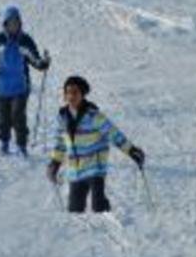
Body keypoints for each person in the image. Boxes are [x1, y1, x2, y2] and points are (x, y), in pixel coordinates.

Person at [47, 76, 146, 213]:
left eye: (75, 92)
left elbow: (114, 134)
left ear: (82, 94)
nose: (71, 96)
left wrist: (131, 150)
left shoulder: (93, 116)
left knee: (98, 206)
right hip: (76, 171)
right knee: (75, 210)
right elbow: (60, 143)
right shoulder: (62, 118)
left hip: (95, 167)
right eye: (68, 92)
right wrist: (55, 163)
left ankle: (106, 214)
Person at [0, 6, 50, 156]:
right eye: (10, 22)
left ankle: (21, 145)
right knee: (4, 117)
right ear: (5, 24)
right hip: (2, 87)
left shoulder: (25, 41)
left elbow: (34, 59)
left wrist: (43, 63)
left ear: (20, 23)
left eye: (16, 22)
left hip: (20, 87)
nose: (14, 25)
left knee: (18, 115)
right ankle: (4, 142)